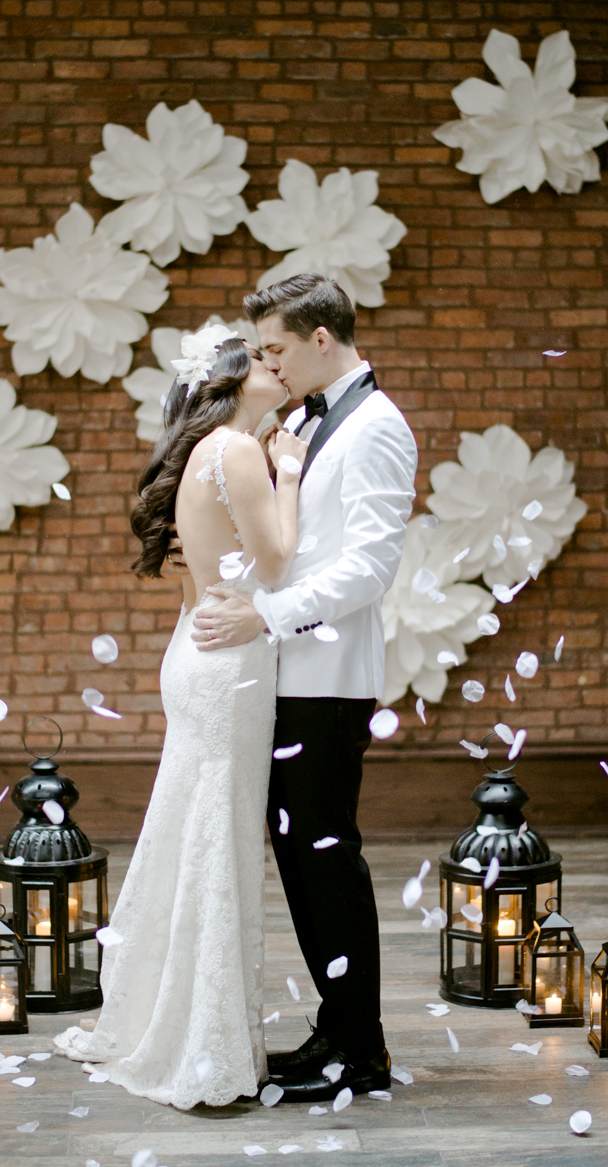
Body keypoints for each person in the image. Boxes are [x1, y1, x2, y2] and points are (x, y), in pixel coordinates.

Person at [54, 327, 306, 1109]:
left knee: (195, 834)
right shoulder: (238, 451)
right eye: (262, 359)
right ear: (228, 379)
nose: (277, 366)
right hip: (228, 667)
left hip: (198, 652)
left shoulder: (207, 451)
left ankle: (180, 1021)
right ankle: (203, 1043)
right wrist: (291, 474)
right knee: (217, 843)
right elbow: (276, 564)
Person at [191, 274, 418, 1102]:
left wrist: (267, 615)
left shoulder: (378, 425)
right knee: (299, 856)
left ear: (323, 338)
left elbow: (369, 567)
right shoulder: (309, 421)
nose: (271, 364)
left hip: (328, 679)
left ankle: (362, 1049)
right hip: (287, 674)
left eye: (277, 348)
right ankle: (337, 1024)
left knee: (326, 857)